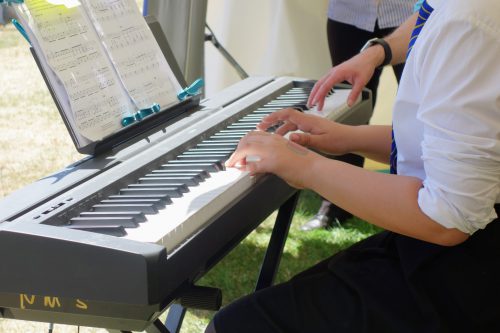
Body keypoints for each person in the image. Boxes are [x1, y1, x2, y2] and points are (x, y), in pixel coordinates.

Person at [206, 0, 500, 331]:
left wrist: (306, 167)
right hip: (449, 250)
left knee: (237, 325)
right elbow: (455, 151)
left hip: (468, 276)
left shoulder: (469, 22)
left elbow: (447, 217)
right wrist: (347, 137)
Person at [304, 0, 415, 231]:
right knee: (348, 109)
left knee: (417, 110)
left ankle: (415, 200)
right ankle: (336, 203)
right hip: (348, 13)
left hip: (409, 12)